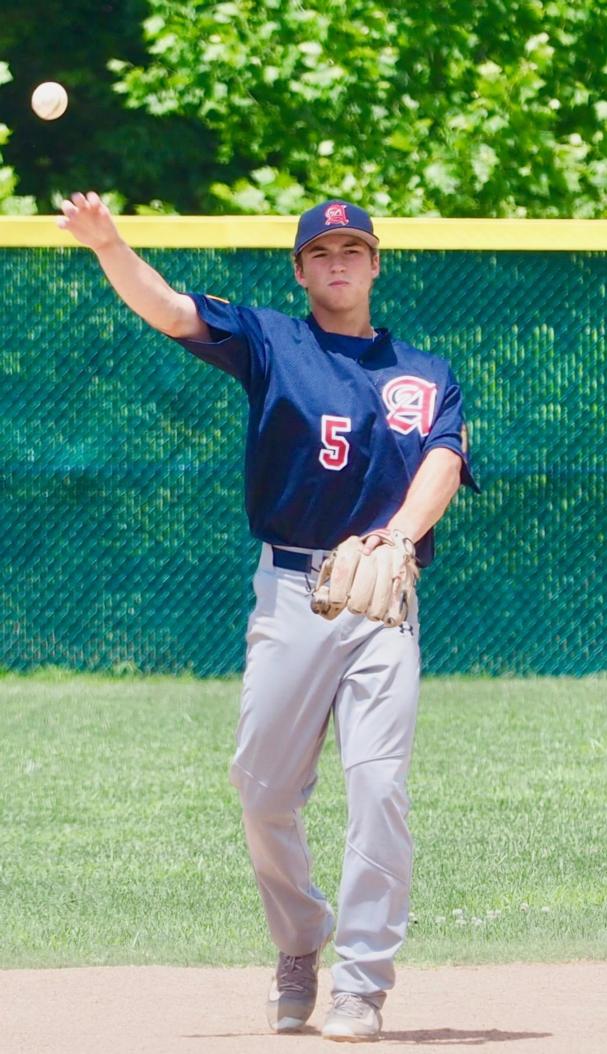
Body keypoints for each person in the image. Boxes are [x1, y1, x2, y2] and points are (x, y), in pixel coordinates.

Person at [58, 193, 479, 1042]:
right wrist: (109, 247)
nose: (338, 262)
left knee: (380, 786)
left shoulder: (426, 371)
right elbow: (171, 310)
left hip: (383, 601)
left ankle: (362, 981)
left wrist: (397, 539)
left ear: (375, 264)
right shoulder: (271, 340)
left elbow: (445, 457)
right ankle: (299, 942)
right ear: (300, 269)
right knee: (261, 791)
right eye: (322, 252)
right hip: (292, 593)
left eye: (354, 249)